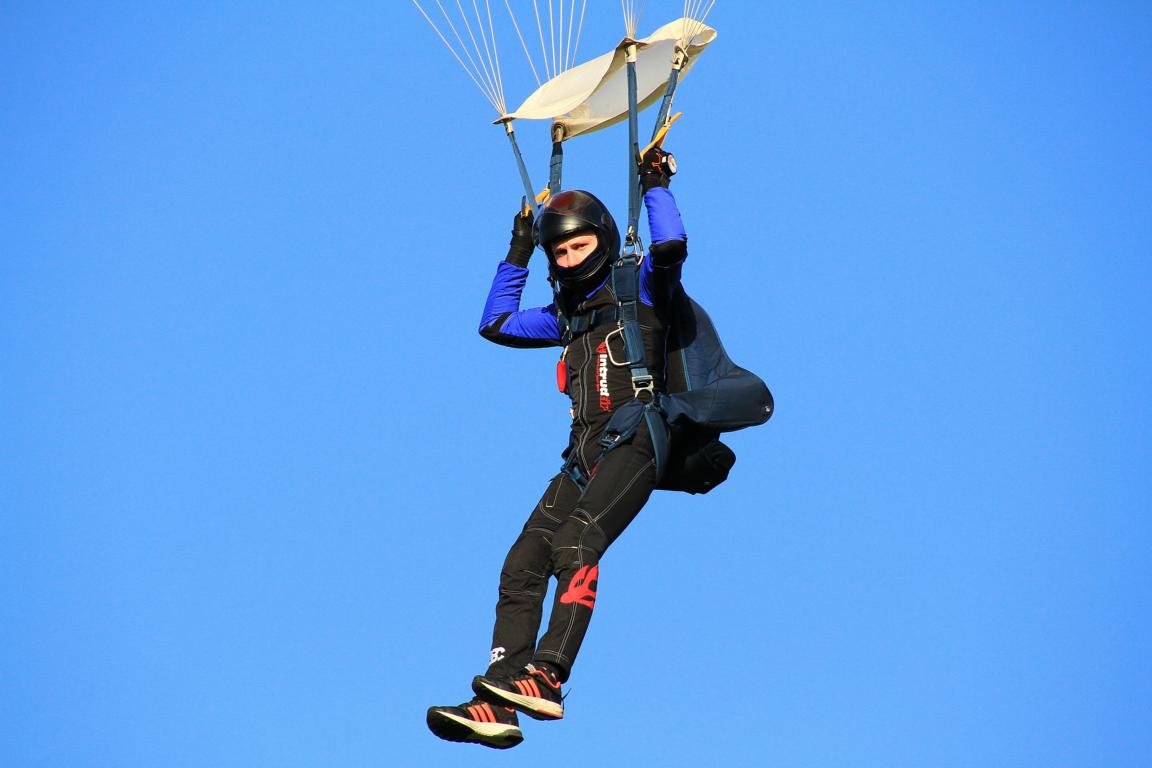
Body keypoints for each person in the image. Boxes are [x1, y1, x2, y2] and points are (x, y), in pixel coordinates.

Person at [427, 147, 686, 749]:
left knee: (576, 541)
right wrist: (520, 247)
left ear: (603, 240)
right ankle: (499, 699)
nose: (571, 259)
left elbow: (671, 246)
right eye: (560, 251)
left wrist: (654, 185)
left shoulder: (641, 289)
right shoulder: (565, 315)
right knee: (523, 561)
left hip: (637, 441)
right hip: (583, 456)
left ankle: (548, 675)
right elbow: (496, 324)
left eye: (580, 246)